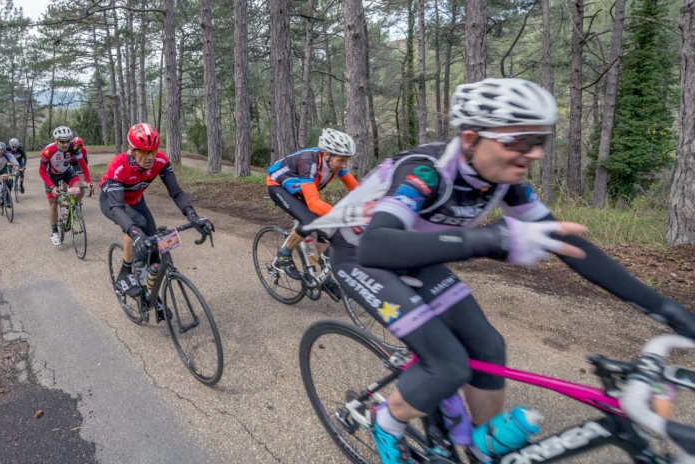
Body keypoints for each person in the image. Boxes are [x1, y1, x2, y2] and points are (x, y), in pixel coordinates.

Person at [310, 78, 695, 464]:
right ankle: (386, 420)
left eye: (540, 140)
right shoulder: (425, 173)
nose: (535, 154)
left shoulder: (505, 183)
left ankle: (482, 447)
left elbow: (571, 248)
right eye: (521, 141)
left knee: (489, 347)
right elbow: (379, 246)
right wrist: (492, 239)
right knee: (446, 364)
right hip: (363, 258)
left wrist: (666, 309)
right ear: (472, 138)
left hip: (418, 258)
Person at [99, 123, 213, 320]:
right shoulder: (118, 165)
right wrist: (134, 234)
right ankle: (126, 271)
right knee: (138, 225)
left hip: (136, 199)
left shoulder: (160, 161)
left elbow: (176, 192)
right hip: (112, 201)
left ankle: (152, 295)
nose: (150, 156)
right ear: (133, 151)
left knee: (155, 250)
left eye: (153, 150)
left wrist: (193, 216)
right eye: (144, 151)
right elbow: (117, 208)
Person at [266, 128, 359, 289]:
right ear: (327, 155)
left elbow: (357, 190)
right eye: (342, 160)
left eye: (347, 160)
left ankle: (323, 276)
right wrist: (342, 217)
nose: (344, 165)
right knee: (309, 221)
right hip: (278, 186)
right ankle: (283, 255)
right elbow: (313, 203)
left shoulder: (336, 165)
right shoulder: (308, 162)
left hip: (299, 189)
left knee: (327, 229)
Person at [40, 126, 84, 245]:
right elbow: (42, 171)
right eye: (62, 141)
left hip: (65, 172)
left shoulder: (73, 148)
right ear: (56, 140)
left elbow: (81, 164)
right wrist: (52, 186)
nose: (65, 144)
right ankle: (54, 231)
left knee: (81, 188)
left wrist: (88, 181)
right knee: (53, 203)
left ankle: (71, 206)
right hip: (51, 175)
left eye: (67, 141)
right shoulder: (48, 151)